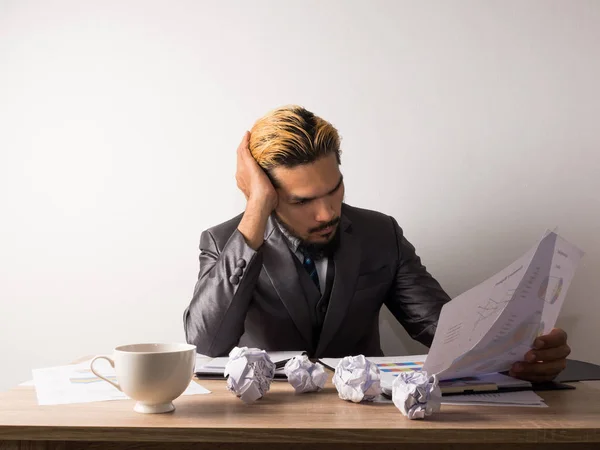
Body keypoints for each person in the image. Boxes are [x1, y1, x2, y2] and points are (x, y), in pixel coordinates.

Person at [184, 105, 570, 382]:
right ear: (266, 193)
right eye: (302, 201)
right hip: (267, 418)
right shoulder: (227, 242)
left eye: (333, 190)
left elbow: (444, 329)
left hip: (367, 418)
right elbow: (207, 345)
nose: (326, 213)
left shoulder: (380, 233)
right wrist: (255, 213)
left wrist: (521, 352)